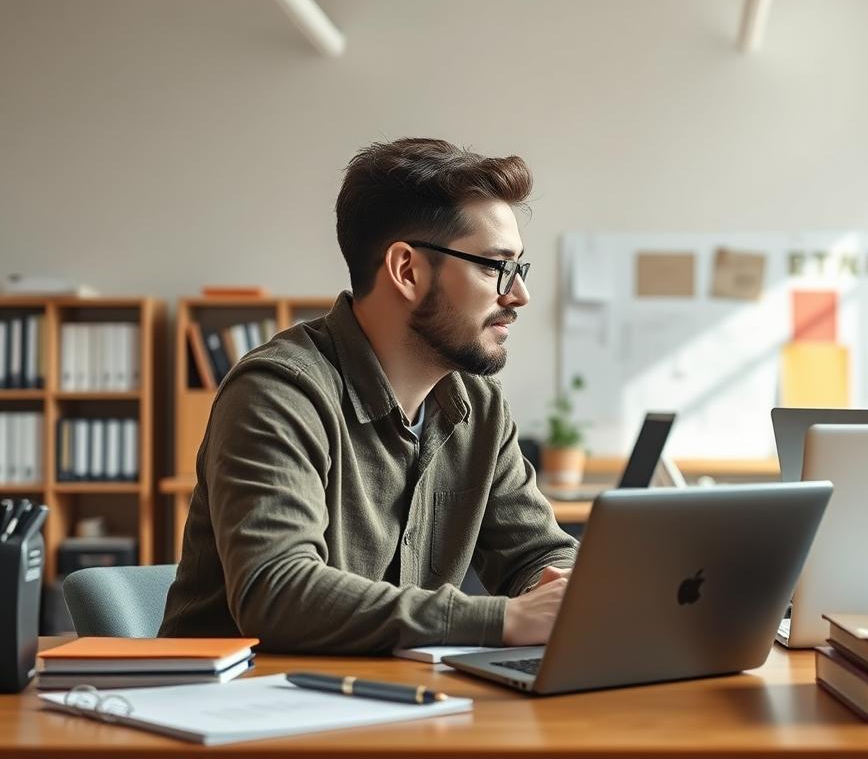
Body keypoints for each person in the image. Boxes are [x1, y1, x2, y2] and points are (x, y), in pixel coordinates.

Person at [160, 138, 577, 653]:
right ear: (406, 270)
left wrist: (576, 593)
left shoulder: (479, 407)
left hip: (389, 703)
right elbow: (278, 591)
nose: (518, 295)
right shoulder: (278, 392)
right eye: (495, 267)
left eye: (518, 269)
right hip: (238, 713)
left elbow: (538, 555)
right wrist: (504, 620)